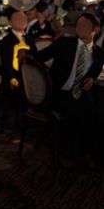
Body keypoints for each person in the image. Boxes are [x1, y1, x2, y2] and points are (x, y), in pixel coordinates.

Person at [32, 13, 104, 161]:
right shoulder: (64, 43)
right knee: (78, 114)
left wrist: (91, 79)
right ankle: (72, 155)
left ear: (95, 29)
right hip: (58, 93)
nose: (81, 28)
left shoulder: (99, 53)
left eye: (85, 25)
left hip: (80, 94)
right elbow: (40, 56)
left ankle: (93, 155)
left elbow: (93, 73)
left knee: (98, 113)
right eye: (79, 25)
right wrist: (24, 52)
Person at [0, 8, 34, 90]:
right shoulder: (6, 41)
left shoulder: (29, 38)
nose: (21, 21)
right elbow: (6, 65)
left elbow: (35, 55)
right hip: (14, 80)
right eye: (17, 18)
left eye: (23, 17)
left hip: (31, 76)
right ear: (10, 22)